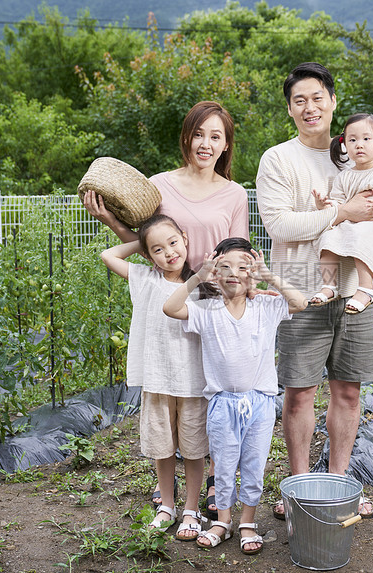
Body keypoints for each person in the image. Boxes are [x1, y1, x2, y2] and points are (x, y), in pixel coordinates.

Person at [84, 101, 247, 527]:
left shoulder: (234, 193)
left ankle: (210, 485)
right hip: (169, 296)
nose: (206, 144)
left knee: (208, 398)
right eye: (199, 134)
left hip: (209, 303)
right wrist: (114, 225)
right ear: (186, 137)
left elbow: (237, 253)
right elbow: (148, 240)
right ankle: (174, 496)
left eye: (216, 136)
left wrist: (240, 299)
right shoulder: (159, 186)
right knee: (176, 399)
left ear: (226, 143)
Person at [256, 62, 373, 519]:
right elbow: (279, 224)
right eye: (300, 100)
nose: (310, 107)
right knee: (298, 394)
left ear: (332, 101)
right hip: (299, 292)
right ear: (290, 109)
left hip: (352, 292)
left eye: (318, 98)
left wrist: (356, 214)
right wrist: (341, 213)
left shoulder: (353, 154)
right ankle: (297, 489)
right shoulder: (278, 158)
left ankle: (336, 484)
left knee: (348, 392)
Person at [163, 238, 307, 554]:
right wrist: (198, 276)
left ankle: (248, 523)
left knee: (254, 465)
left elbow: (300, 302)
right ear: (215, 273)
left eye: (244, 267)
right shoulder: (206, 310)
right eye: (224, 266)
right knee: (224, 464)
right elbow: (170, 307)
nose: (234, 273)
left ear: (252, 273)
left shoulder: (266, 307)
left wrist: (269, 276)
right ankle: (223, 521)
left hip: (260, 403)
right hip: (221, 404)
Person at [100, 214, 212, 540]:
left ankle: (191, 508)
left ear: (185, 239)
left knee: (193, 449)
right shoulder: (146, 278)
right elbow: (108, 256)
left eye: (173, 242)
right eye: (158, 250)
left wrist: (153, 239)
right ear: (148, 256)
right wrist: (144, 240)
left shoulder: (203, 285)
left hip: (193, 382)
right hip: (158, 379)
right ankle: (167, 505)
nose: (169, 253)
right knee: (163, 448)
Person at [309, 112, 373, 313]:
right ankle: (329, 285)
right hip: (350, 223)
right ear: (345, 145)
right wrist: (322, 206)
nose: (359, 144)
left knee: (361, 235)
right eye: (352, 140)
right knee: (326, 236)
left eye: (366, 139)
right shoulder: (345, 176)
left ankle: (366, 288)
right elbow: (337, 204)